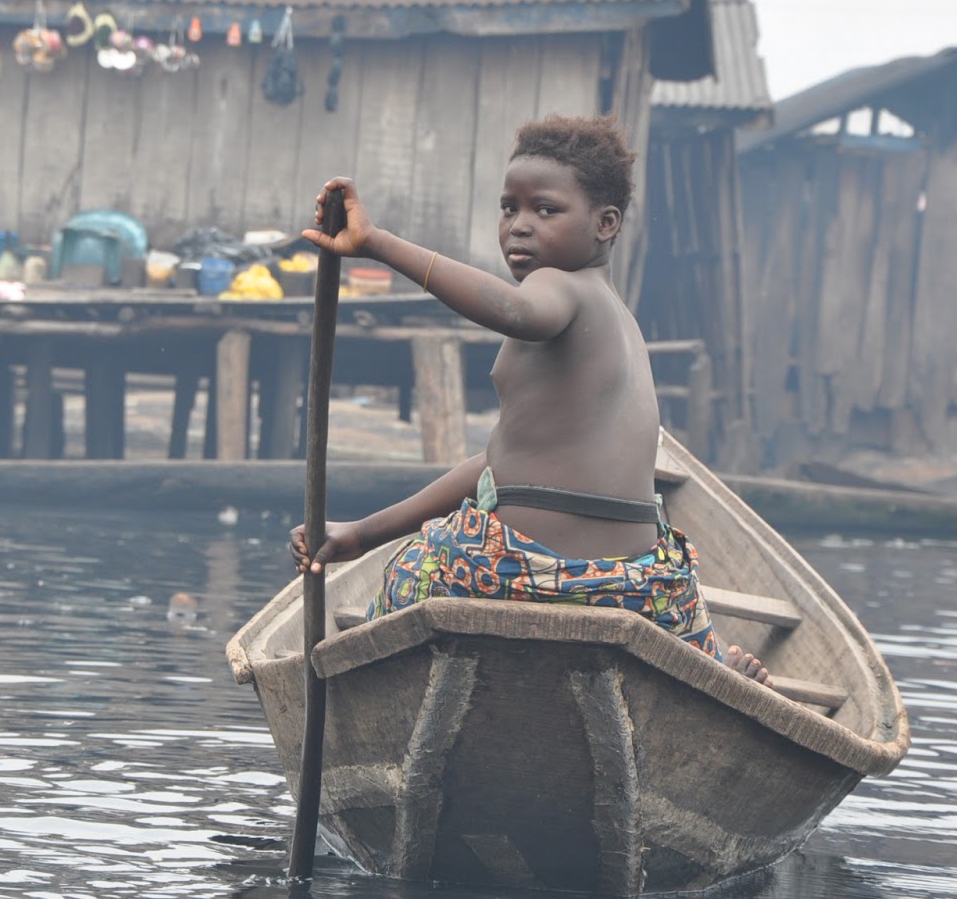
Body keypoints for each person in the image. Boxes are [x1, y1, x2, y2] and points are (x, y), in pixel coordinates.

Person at [288, 115, 770, 685]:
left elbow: (520, 312)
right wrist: (361, 531)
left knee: (412, 570)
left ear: (605, 223)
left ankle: (370, 692)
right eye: (508, 208)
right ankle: (708, 664)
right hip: (641, 589)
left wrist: (376, 244)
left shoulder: (556, 285)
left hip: (523, 570)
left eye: (545, 210)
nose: (519, 226)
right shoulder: (619, 322)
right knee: (680, 601)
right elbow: (497, 469)